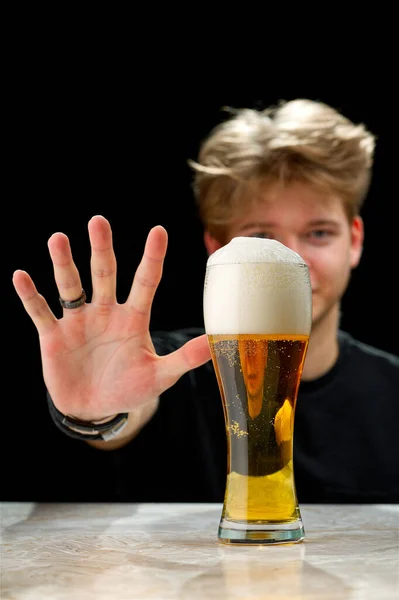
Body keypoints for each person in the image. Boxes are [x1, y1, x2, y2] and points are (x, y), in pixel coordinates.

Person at [12, 98, 399, 503]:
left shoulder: (394, 392)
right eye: (262, 237)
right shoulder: (166, 366)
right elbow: (128, 405)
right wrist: (97, 414)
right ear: (218, 249)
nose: (292, 259)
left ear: (354, 241)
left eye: (319, 233)